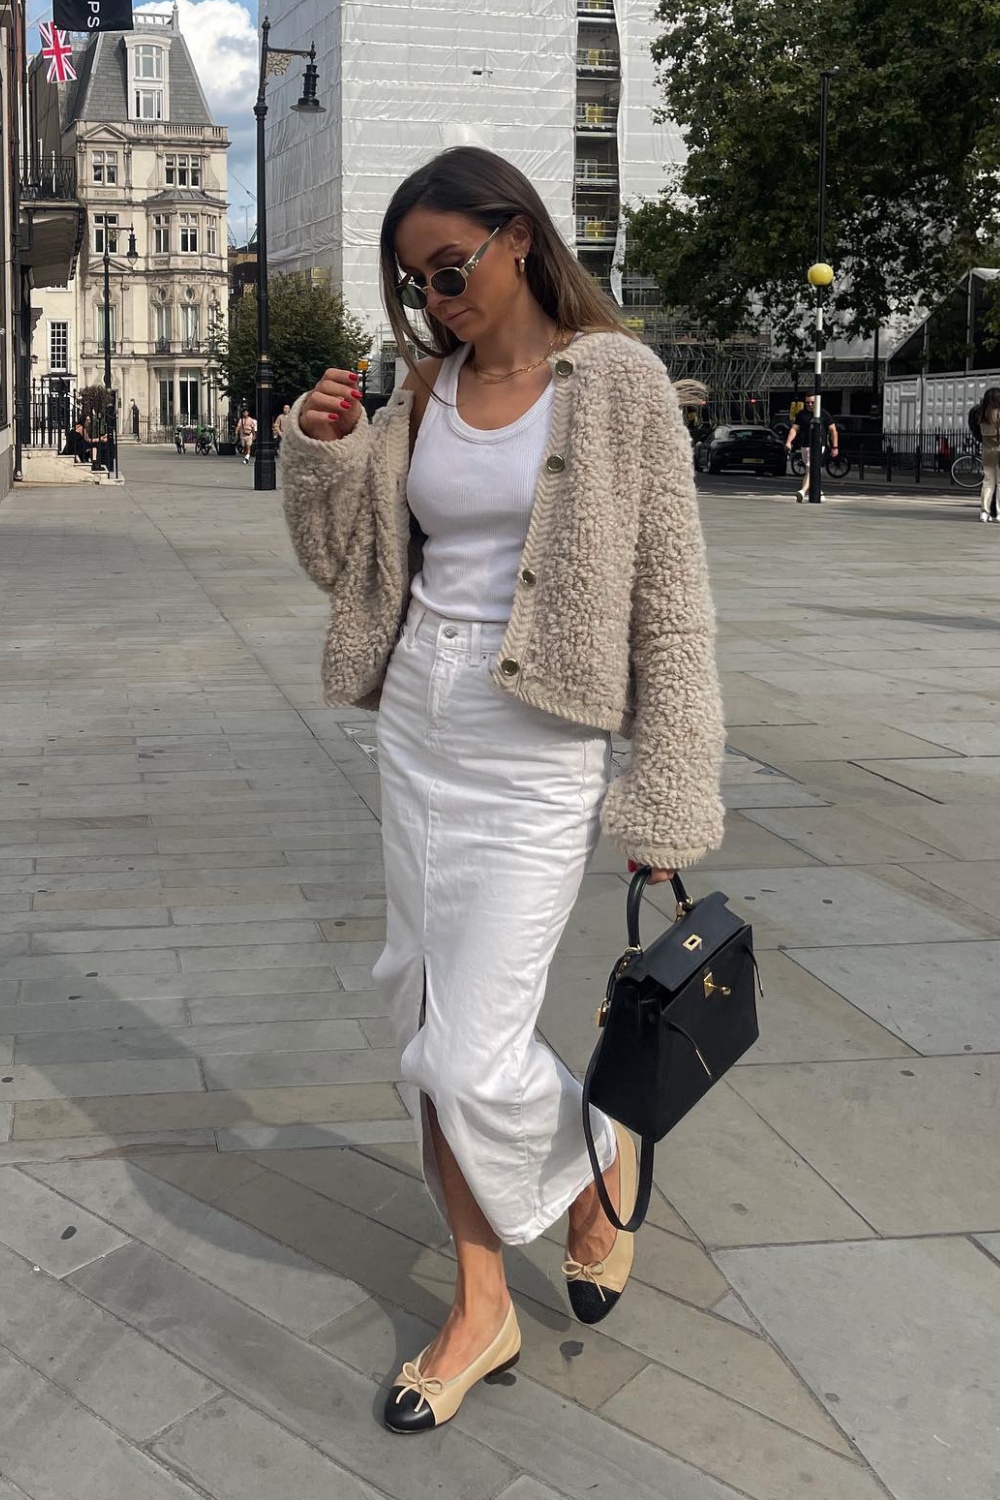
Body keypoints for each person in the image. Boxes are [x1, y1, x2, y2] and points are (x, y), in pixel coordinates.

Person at [280, 146, 725, 1435]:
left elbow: (672, 603)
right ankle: (483, 1303)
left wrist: (668, 791)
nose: (435, 300)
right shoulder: (422, 389)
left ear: (518, 235)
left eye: (451, 268)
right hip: (417, 729)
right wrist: (323, 453)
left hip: (536, 755)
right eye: (416, 283)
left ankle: (594, 1155)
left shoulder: (619, 385)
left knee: (470, 1053)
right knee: (422, 1031)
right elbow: (343, 566)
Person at [785, 394, 839, 500]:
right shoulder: (801, 414)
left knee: (811, 469)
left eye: (812, 402)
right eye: (807, 402)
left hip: (819, 445)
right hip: (805, 445)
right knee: (812, 469)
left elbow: (833, 430)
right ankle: (818, 491)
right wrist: (788, 442)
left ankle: (803, 491)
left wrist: (835, 447)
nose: (809, 405)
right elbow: (794, 429)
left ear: (817, 402)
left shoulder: (823, 414)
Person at [972, 388, 1000, 522]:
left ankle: (984, 511)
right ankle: (999, 513)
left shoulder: (982, 414)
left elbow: (977, 431)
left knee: (987, 482)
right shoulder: (998, 413)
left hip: (987, 451)